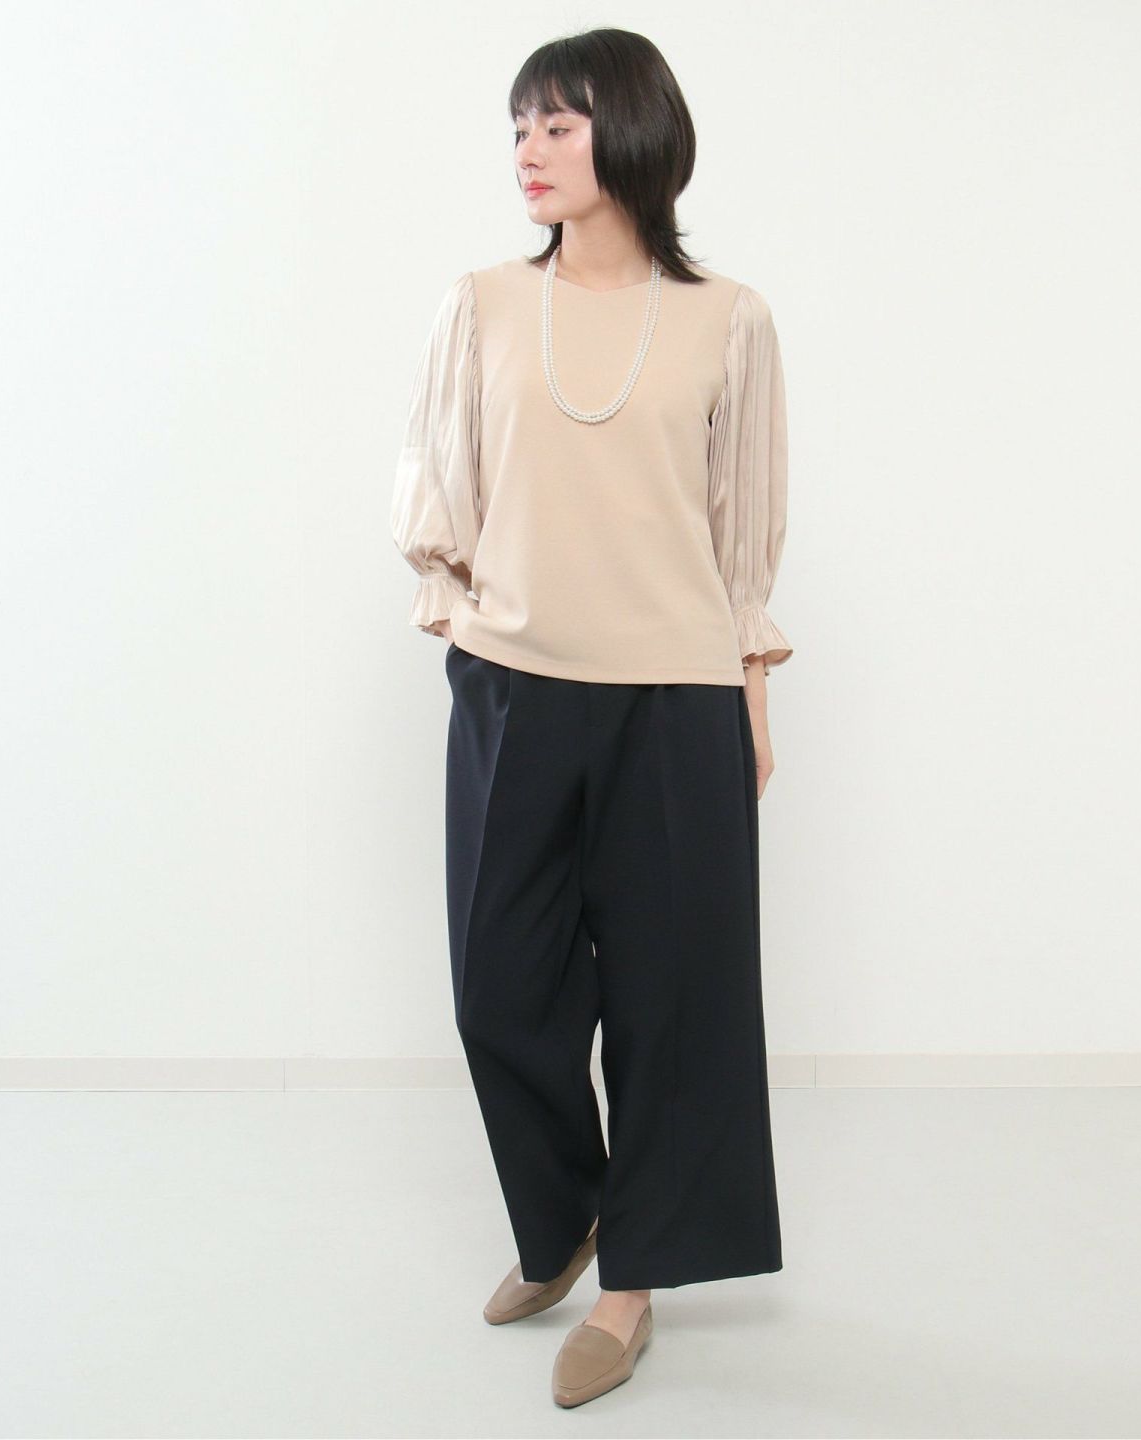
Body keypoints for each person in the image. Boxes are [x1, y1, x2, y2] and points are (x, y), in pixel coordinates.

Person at [390, 27, 792, 1409]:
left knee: (673, 1004)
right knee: (500, 986)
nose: (528, 151)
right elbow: (441, 491)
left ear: (629, 131)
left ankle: (632, 1281)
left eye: (557, 125)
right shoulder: (485, 306)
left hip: (677, 697)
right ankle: (562, 1219)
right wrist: (476, 634)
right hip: (514, 689)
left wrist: (748, 692)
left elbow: (741, 533)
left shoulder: (729, 319)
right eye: (519, 127)